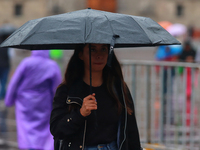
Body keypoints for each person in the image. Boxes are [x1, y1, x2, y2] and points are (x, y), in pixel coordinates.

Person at [50, 44, 142, 150]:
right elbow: (57, 129)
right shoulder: (67, 90)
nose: (99, 55)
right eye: (92, 50)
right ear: (81, 54)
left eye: (103, 49)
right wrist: (80, 113)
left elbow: (131, 130)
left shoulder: (118, 88)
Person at [5, 50, 62, 150]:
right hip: (44, 102)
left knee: (25, 129)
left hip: (24, 102)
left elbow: (14, 82)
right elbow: (57, 87)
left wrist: (9, 100)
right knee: (44, 130)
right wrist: (59, 104)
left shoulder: (26, 63)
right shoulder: (52, 65)